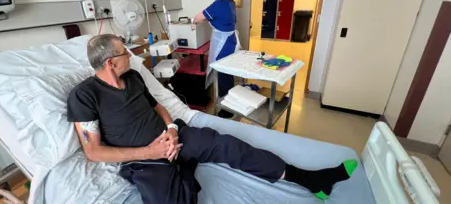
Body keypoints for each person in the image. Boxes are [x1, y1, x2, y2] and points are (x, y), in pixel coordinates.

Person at [67, 34, 358, 204]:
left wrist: (170, 129)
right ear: (110, 62)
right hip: (143, 160)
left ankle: (310, 179)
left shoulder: (132, 77)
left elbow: (157, 107)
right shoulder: (85, 96)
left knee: (231, 145)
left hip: (176, 138)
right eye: (124, 53)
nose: (130, 56)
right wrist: (152, 151)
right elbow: (93, 152)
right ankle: (181, 172)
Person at [193, 0, 239, 118]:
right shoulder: (231, 2)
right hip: (231, 41)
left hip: (223, 44)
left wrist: (198, 22)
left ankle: (226, 109)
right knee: (228, 73)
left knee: (222, 75)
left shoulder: (218, 5)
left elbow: (196, 19)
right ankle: (229, 103)